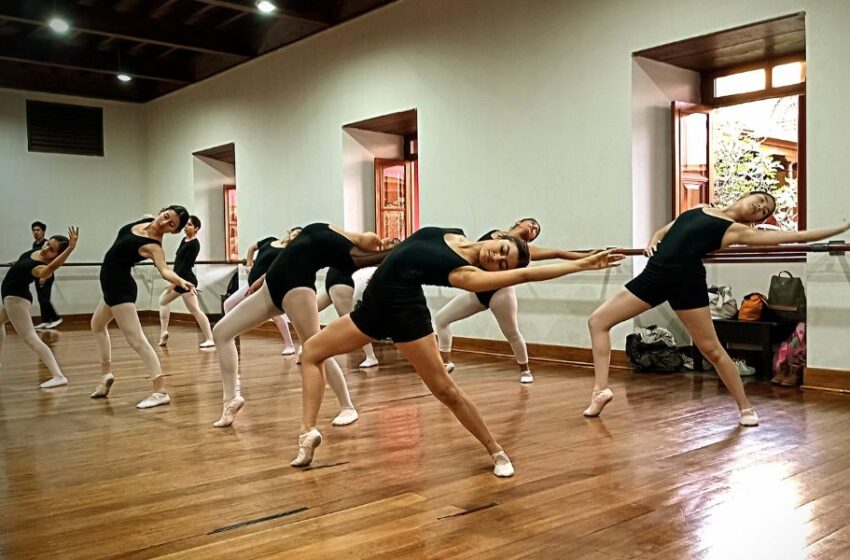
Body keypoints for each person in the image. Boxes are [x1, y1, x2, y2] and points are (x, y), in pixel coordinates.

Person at [293, 226, 622, 477]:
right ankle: (308, 433)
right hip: (371, 310)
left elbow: (525, 272)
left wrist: (581, 264)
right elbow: (529, 254)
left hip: (405, 314)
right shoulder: (454, 233)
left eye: (501, 263)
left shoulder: (465, 274)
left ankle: (497, 452)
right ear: (498, 236)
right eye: (501, 249)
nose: (497, 258)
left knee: (445, 390)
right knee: (311, 352)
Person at [585, 192, 850, 426]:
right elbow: (667, 229)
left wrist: (842, 227)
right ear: (745, 195)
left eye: (764, 211)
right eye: (759, 200)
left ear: (757, 220)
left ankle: (746, 408)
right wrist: (653, 240)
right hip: (654, 276)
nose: (759, 207)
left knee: (711, 349)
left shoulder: (736, 230)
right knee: (598, 321)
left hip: (685, 281)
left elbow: (796, 236)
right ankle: (601, 391)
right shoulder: (700, 206)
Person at [211, 223, 390, 428]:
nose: (374, 238)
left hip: (297, 291)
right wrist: (261, 280)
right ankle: (230, 400)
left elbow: (368, 258)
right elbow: (285, 259)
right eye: (373, 238)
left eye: (377, 243)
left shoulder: (346, 250)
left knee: (316, 350)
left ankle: (347, 406)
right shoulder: (326, 227)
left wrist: (390, 251)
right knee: (221, 332)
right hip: (271, 288)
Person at [434, 218, 590, 383]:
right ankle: (445, 362)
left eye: (536, 230)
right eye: (532, 225)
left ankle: (525, 371)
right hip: (478, 292)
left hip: (500, 294)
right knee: (441, 319)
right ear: (519, 222)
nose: (533, 229)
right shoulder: (494, 234)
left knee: (512, 333)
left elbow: (560, 253)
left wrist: (592, 256)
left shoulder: (525, 252)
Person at [89, 207, 195, 409]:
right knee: (97, 325)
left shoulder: (154, 247)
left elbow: (164, 270)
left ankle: (160, 391)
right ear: (162, 211)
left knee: (137, 341)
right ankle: (106, 375)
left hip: (121, 289)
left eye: (171, 224)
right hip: (111, 289)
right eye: (166, 216)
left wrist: (182, 281)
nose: (164, 223)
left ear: (174, 231)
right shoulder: (142, 223)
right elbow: (149, 216)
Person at [1, 227, 78, 388]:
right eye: (47, 244)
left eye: (51, 250)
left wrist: (70, 249)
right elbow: (23, 262)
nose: (46, 249)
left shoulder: (41, 267)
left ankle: (58, 375)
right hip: (11, 299)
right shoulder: (35, 251)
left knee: (31, 338)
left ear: (56, 256)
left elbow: (49, 270)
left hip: (16, 301)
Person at [223, 228, 302, 355]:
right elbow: (252, 248)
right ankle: (229, 335)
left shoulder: (287, 252)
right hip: (250, 283)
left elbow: (273, 270)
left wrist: (260, 281)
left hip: (266, 286)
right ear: (290, 232)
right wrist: (249, 264)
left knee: (276, 316)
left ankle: (289, 344)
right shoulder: (270, 240)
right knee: (228, 304)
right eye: (296, 233)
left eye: (299, 236)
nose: (296, 236)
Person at [157, 215, 214, 348]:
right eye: (186, 225)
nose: (186, 227)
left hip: (186, 280)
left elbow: (184, 266)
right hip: (183, 279)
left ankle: (164, 331)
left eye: (189, 225)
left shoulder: (194, 244)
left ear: (196, 228)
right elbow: (178, 263)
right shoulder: (185, 240)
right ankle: (164, 332)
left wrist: (174, 282)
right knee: (192, 309)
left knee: (165, 302)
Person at [30, 221, 63, 329]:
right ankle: (45, 320)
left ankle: (55, 318)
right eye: (34, 230)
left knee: (45, 298)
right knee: (41, 298)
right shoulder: (35, 244)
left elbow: (51, 262)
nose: (36, 232)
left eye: (38, 230)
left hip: (45, 275)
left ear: (43, 232)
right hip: (38, 274)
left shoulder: (47, 244)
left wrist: (44, 276)